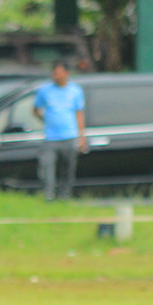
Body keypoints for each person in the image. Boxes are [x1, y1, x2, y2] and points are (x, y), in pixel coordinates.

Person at [33, 60, 86, 200]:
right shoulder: (45, 90)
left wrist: (81, 137)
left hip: (69, 136)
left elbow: (79, 114)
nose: (55, 75)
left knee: (68, 169)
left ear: (66, 74)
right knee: (47, 168)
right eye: (54, 72)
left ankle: (65, 196)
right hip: (51, 138)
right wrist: (46, 120)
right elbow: (36, 109)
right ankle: (49, 196)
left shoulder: (75, 91)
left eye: (58, 73)